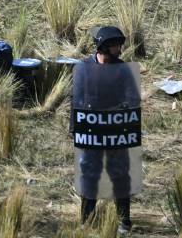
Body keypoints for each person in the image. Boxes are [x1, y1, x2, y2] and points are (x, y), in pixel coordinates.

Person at [73, 26, 140, 234]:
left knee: (120, 175)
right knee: (89, 174)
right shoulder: (83, 68)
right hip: (91, 133)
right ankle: (86, 221)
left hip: (116, 132)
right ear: (104, 46)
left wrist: (121, 114)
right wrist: (76, 130)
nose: (120, 49)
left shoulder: (124, 70)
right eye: (116, 46)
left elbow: (133, 99)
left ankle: (124, 221)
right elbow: (76, 101)